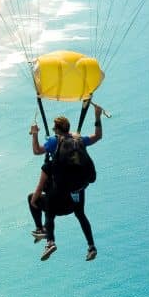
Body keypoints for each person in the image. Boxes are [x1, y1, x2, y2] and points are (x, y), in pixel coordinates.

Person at [27, 105, 103, 261]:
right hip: (77, 192)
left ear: (56, 129)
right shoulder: (78, 139)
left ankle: (48, 239)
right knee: (81, 215)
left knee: (46, 207)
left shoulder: (54, 142)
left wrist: (34, 133)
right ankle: (91, 246)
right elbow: (98, 136)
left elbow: (36, 150)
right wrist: (97, 116)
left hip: (60, 197)